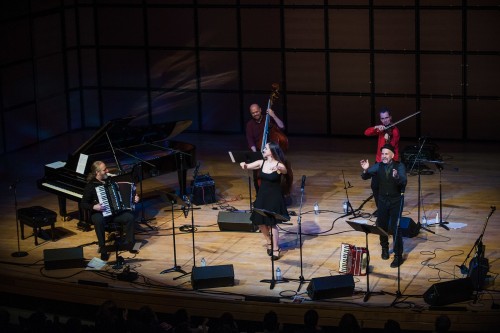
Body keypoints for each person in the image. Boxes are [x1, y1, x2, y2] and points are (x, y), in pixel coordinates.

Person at [240, 142, 291, 260]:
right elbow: (248, 166)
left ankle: (276, 248)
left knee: (272, 223)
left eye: (266, 148)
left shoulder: (278, 164)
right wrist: (244, 165)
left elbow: (285, 171)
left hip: (274, 197)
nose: (263, 149)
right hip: (262, 196)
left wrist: (278, 167)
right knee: (259, 221)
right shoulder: (261, 162)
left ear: (272, 151)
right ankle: (269, 241)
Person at [360, 144, 407, 268]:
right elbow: (365, 176)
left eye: (386, 154)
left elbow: (403, 181)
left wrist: (396, 177)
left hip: (396, 200)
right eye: (382, 154)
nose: (384, 156)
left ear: (392, 155)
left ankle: (398, 256)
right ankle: (385, 249)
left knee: (395, 227)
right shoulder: (378, 166)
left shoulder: (399, 166)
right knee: (382, 225)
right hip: (382, 200)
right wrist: (365, 169)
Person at [81, 161, 139, 261]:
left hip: (115, 213)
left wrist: (134, 198)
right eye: (104, 170)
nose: (107, 171)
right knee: (98, 221)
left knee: (130, 217)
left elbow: (123, 194)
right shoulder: (91, 186)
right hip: (100, 213)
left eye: (106, 168)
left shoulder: (110, 180)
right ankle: (103, 249)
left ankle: (130, 244)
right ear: (97, 173)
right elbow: (83, 203)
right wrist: (94, 207)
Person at [364, 107, 400, 216]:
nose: (385, 121)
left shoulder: (395, 131)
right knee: (375, 186)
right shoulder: (381, 128)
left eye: (387, 118)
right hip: (379, 162)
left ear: (390, 117)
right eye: (382, 119)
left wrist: (387, 138)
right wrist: (376, 128)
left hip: (390, 162)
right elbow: (366, 132)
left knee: (388, 188)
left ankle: (389, 209)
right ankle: (380, 208)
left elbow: (389, 149)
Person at [245, 103, 286, 193]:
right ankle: (259, 194)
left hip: (273, 152)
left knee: (278, 173)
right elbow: (250, 140)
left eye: (256, 111)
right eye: (253, 113)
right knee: (257, 175)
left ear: (260, 110)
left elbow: (282, 126)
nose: (255, 114)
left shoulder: (269, 119)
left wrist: (273, 115)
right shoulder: (250, 124)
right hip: (260, 151)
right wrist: (257, 153)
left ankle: (278, 192)